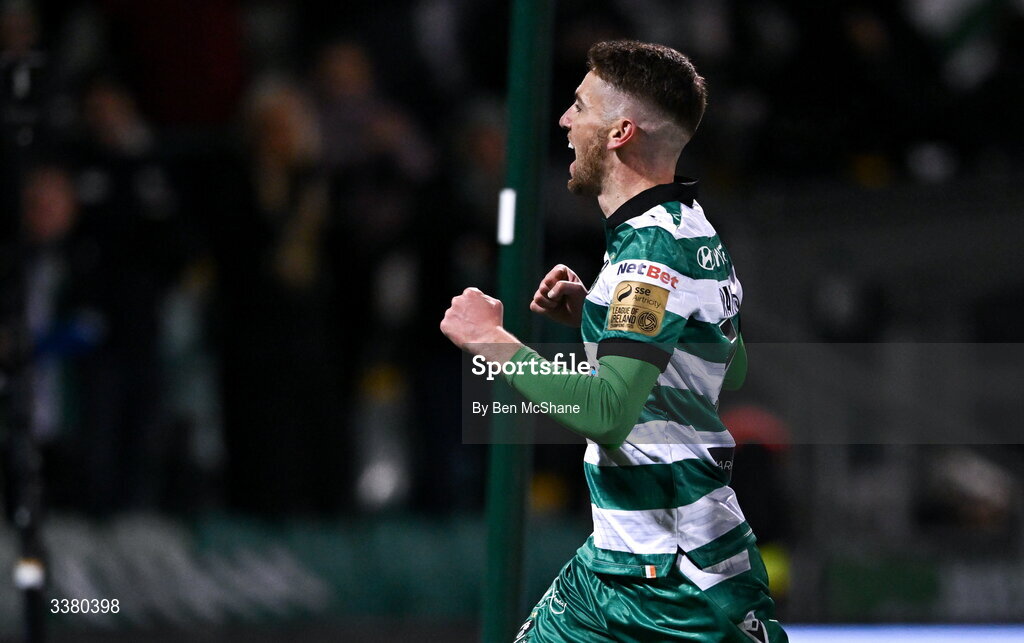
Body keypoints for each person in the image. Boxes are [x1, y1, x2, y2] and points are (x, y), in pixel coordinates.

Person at [441, 40, 787, 642]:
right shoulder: (691, 229)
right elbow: (724, 370)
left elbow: (606, 411)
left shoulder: (647, 255)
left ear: (620, 131)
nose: (565, 121)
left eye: (580, 105)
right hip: (616, 563)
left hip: (673, 581)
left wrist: (489, 339)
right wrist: (598, 319)